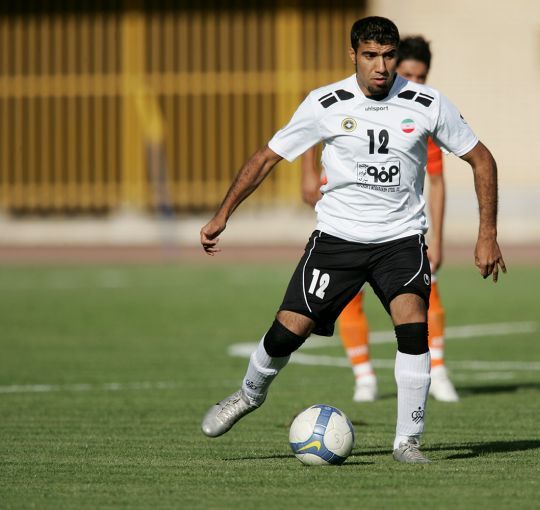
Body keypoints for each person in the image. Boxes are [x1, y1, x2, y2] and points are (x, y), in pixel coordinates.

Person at [199, 16, 505, 464]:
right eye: (370, 56)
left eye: (388, 56)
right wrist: (222, 214)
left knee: (413, 325)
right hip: (337, 239)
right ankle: (248, 394)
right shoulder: (325, 102)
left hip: (400, 239)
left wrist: (487, 234)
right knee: (287, 331)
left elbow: (482, 159)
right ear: (353, 55)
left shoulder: (427, 102)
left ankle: (407, 441)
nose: (381, 66)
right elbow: (267, 157)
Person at [300, 36, 458, 403]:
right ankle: (364, 376)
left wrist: (437, 240)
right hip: (350, 222)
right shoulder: (354, 100)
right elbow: (312, 119)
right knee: (347, 298)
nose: (414, 83)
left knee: (425, 298)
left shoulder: (422, 115)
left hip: (401, 230)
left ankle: (438, 370)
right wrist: (308, 173)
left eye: (421, 77)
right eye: (408, 75)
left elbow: (437, 181)